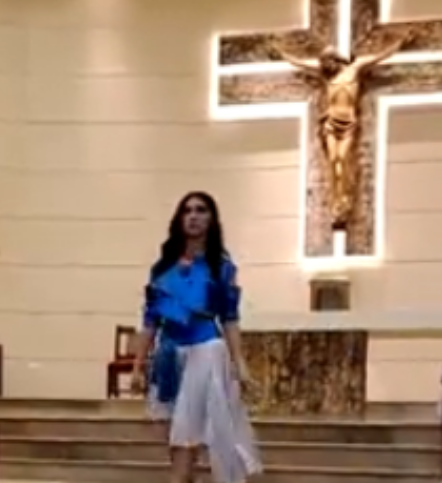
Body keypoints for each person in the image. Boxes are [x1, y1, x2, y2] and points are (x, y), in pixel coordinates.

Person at [131, 192, 261, 483]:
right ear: (179, 219)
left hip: (206, 351)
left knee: (185, 437)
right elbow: (150, 320)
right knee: (176, 438)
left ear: (211, 219)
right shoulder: (162, 269)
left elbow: (229, 317)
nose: (193, 216)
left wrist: (239, 363)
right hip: (168, 354)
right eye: (187, 210)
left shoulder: (221, 267)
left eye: (201, 210)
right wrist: (138, 366)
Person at [274, 32, 412, 228]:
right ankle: (336, 203)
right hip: (331, 123)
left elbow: (379, 57)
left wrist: (400, 43)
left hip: (348, 124)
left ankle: (345, 201)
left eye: (328, 61)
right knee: (334, 161)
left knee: (343, 160)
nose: (325, 66)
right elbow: (301, 64)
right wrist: (281, 53)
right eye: (323, 63)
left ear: (335, 59)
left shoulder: (354, 70)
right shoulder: (325, 75)